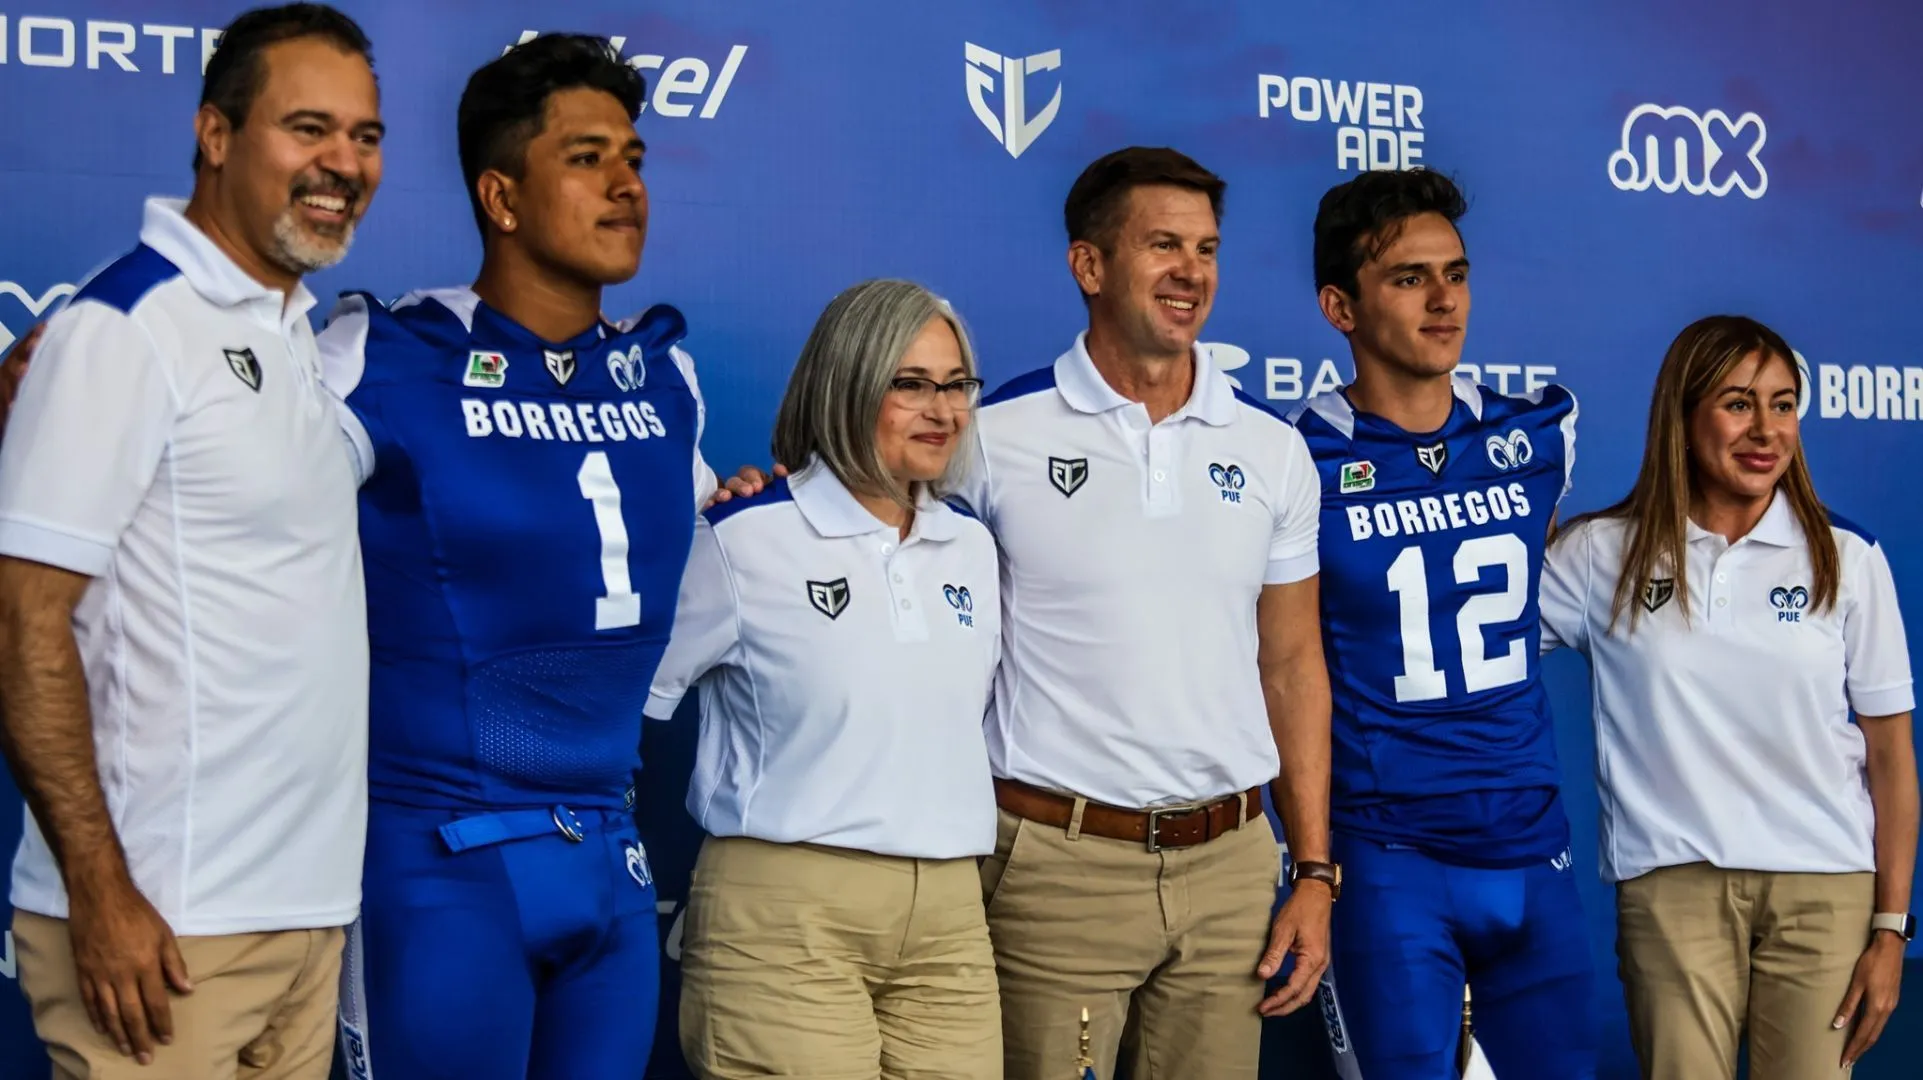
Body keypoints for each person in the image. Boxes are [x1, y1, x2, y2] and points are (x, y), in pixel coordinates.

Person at [314, 34, 715, 1079]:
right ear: (500, 196)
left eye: (632, 157)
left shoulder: (665, 377)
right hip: (439, 867)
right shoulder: (383, 360)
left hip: (613, 868)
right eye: (586, 159)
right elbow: (212, 493)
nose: (626, 185)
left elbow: (707, 545)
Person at [0, 5, 382, 1077]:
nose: (341, 163)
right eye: (308, 129)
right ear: (216, 134)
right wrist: (101, 891)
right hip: (161, 935)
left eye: (364, 135)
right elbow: (22, 622)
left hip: (303, 920)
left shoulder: (292, 329)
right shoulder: (124, 331)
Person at [963, 147, 1332, 1080]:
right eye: (1162, 245)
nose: (1191, 273)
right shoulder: (990, 439)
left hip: (1232, 869)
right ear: (1089, 266)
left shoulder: (1274, 448)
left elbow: (1290, 665)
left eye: (1205, 249)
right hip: (1056, 865)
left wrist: (1314, 872)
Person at [1539, 315, 1918, 1079]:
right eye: (1738, 403)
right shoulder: (1598, 553)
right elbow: (1467, 627)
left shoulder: (1847, 557)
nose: (1766, 430)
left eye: (1782, 404)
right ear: (1681, 415)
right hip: (1672, 888)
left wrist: (1889, 928)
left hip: (1824, 889)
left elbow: (1889, 758)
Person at [646, 278, 1002, 1079]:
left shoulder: (972, 547)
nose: (942, 411)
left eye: (955, 386)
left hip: (949, 917)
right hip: (785, 914)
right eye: (909, 385)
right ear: (845, 384)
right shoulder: (745, 538)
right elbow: (629, 707)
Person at [1287, 168, 1596, 1079]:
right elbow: (1280, 658)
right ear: (1340, 307)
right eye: (1408, 278)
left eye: (1454, 273)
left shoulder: (1537, 434)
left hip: (1532, 842)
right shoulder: (1292, 455)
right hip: (1389, 856)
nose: (1442, 300)